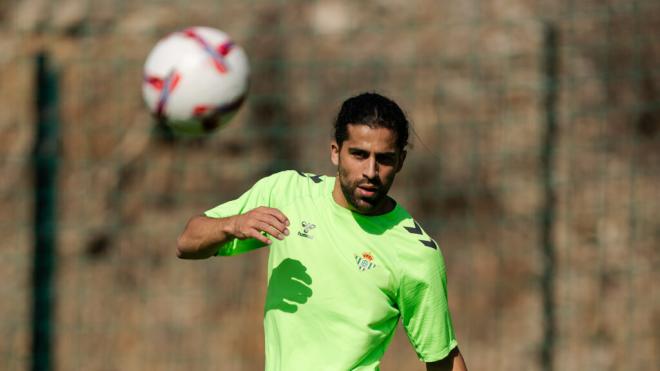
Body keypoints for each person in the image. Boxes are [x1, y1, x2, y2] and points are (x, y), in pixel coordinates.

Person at [177, 92, 468, 371]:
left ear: (400, 162)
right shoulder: (285, 192)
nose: (370, 171)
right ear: (335, 152)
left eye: (384, 159)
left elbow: (442, 358)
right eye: (358, 154)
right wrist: (233, 223)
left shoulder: (415, 253)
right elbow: (187, 243)